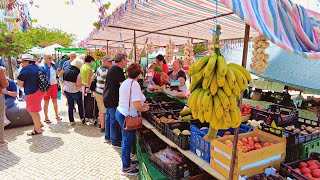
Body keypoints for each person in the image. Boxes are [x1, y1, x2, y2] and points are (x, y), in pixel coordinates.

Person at [116, 63, 149, 175]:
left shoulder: (126, 82)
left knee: (126, 140)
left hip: (121, 112)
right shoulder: (134, 84)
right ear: (139, 73)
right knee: (127, 142)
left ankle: (128, 161)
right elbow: (136, 104)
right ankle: (126, 168)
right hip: (127, 116)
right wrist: (144, 108)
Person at [103, 53, 127, 147]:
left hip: (107, 96)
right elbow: (123, 85)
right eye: (126, 60)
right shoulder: (118, 70)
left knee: (108, 118)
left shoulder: (112, 68)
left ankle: (107, 137)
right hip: (113, 97)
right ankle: (115, 140)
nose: (126, 62)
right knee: (114, 120)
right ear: (122, 60)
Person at [17, 54, 44, 136]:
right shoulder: (38, 67)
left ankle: (37, 130)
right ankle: (38, 124)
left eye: (22, 61)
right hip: (40, 91)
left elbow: (19, 83)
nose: (21, 63)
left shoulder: (25, 69)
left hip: (32, 92)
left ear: (27, 61)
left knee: (33, 111)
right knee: (33, 109)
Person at [62, 58, 85, 126]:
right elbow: (78, 84)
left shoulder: (66, 70)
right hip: (75, 91)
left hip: (67, 90)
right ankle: (82, 118)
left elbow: (63, 81)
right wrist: (84, 84)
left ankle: (71, 120)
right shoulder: (78, 72)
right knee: (80, 105)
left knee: (70, 105)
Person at [40, 54, 61, 123]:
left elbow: (56, 74)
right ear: (45, 59)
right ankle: (46, 117)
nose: (50, 59)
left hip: (54, 85)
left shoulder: (53, 66)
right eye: (49, 58)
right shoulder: (42, 67)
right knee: (46, 101)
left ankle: (57, 115)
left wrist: (58, 72)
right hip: (47, 86)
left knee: (55, 101)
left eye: (51, 58)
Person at [94, 56, 113, 132]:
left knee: (101, 109)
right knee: (103, 110)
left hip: (98, 91)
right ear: (104, 62)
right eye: (109, 62)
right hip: (101, 92)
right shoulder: (104, 71)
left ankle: (101, 124)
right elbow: (109, 82)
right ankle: (103, 127)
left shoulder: (100, 68)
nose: (111, 63)